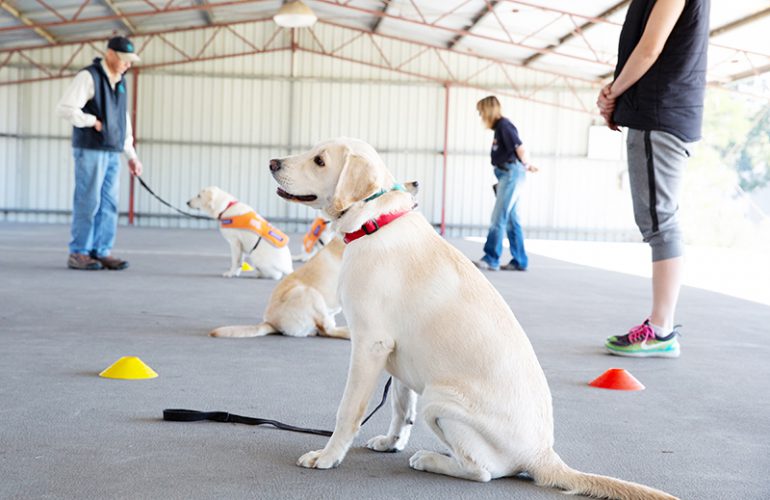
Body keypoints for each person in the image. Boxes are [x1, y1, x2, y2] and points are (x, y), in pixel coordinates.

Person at [597, 0, 709, 357]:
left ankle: (660, 331)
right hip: (662, 112)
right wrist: (615, 89)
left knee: (660, 222)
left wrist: (614, 93)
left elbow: (650, 48)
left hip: (660, 113)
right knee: (659, 220)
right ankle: (660, 327)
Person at [57, 36, 143, 271]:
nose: (128, 65)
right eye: (125, 60)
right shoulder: (89, 76)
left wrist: (131, 155)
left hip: (113, 150)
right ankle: (79, 252)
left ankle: (101, 251)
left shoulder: (121, 82)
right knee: (89, 201)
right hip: (90, 150)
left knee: (109, 204)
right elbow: (65, 108)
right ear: (111, 55)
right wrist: (92, 121)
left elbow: (123, 121)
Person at [473, 96, 538, 272]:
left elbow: (520, 147)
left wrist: (527, 164)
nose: (481, 116)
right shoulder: (499, 128)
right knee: (511, 219)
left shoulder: (504, 125)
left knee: (498, 217)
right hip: (506, 174)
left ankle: (491, 258)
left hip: (511, 174)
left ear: (488, 110)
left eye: (481, 112)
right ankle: (520, 260)